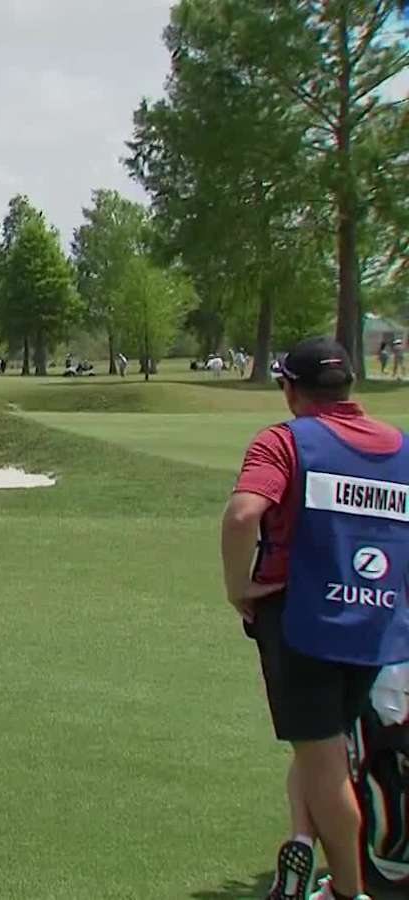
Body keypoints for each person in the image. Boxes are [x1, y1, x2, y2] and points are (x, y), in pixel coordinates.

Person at [222, 337, 409, 900]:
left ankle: (348, 892)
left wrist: (239, 588)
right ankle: (302, 835)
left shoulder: (284, 440)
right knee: (320, 747)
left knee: (325, 763)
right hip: (377, 629)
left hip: (303, 623)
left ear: (289, 389)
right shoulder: (401, 446)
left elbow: (242, 515)